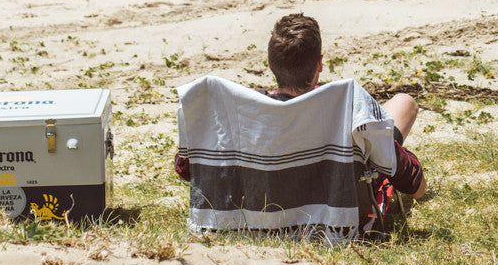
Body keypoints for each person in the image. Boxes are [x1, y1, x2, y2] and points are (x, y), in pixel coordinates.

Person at [175, 13, 426, 200]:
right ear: (319, 64)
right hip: (335, 202)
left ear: (270, 65)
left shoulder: (244, 112)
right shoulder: (345, 112)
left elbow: (186, 169)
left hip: (262, 200)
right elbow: (415, 186)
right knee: (404, 103)